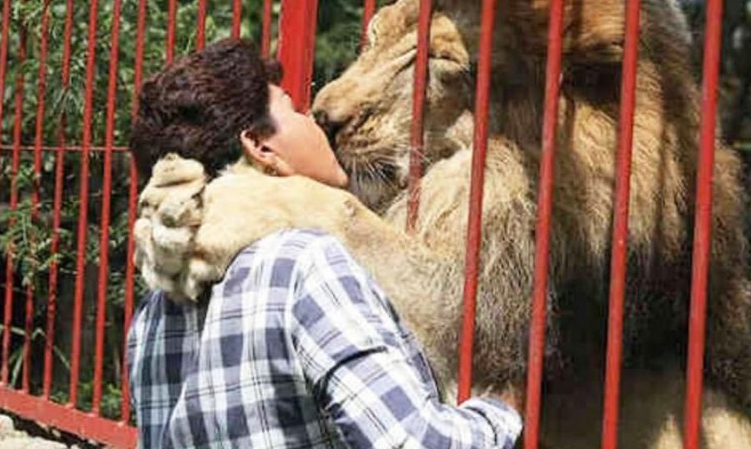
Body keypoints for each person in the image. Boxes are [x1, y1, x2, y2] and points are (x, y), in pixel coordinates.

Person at [127, 38, 524, 448]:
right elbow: (413, 442)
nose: (318, 116)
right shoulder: (305, 265)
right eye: (295, 109)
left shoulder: (153, 313)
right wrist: (501, 411)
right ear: (261, 146)